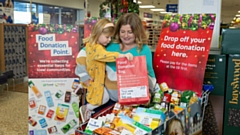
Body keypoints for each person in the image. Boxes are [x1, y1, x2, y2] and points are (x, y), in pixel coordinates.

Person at [75, 12, 156, 119]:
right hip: (103, 101)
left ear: (137, 32)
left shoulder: (144, 49)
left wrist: (148, 90)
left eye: (130, 32)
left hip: (128, 103)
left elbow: (150, 73)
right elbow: (86, 53)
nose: (126, 35)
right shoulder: (109, 43)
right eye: (122, 31)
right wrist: (85, 77)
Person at [76, 18, 133, 122]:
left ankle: (88, 109)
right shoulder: (95, 48)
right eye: (107, 37)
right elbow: (102, 56)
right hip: (94, 81)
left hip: (97, 80)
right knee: (103, 98)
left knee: (103, 98)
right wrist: (121, 56)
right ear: (98, 34)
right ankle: (87, 109)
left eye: (111, 37)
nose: (109, 40)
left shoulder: (96, 46)